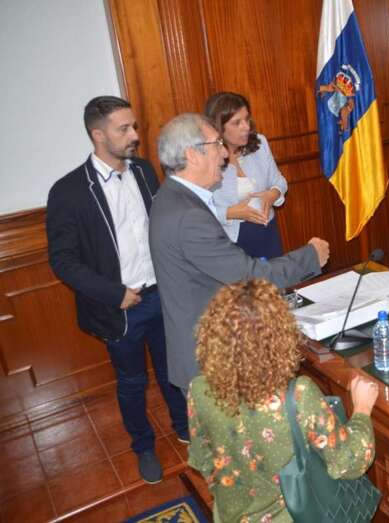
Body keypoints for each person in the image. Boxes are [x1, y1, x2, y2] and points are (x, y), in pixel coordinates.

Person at [46, 96, 188, 484]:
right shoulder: (69, 191)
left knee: (172, 368)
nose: (135, 136)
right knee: (132, 382)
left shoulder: (143, 170)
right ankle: (143, 447)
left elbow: (161, 226)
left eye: (134, 127)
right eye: (124, 129)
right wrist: (114, 293)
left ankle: (185, 428)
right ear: (97, 134)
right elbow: (63, 260)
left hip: (161, 293)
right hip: (121, 307)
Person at [149, 113, 330, 397]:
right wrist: (311, 256)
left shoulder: (173, 197)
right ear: (192, 155)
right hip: (210, 362)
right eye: (216, 145)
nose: (224, 154)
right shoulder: (187, 216)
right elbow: (248, 276)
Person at [187, 279, 379, 522]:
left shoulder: (198, 389)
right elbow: (349, 463)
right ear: (280, 336)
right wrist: (362, 409)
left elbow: (202, 460)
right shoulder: (298, 395)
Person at [204, 91, 287, 259]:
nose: (246, 127)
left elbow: (279, 180)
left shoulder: (260, 143)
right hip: (230, 240)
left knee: (276, 282)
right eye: (237, 123)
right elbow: (196, 210)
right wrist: (230, 212)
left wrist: (273, 194)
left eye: (247, 119)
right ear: (219, 128)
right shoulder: (207, 156)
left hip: (267, 231)